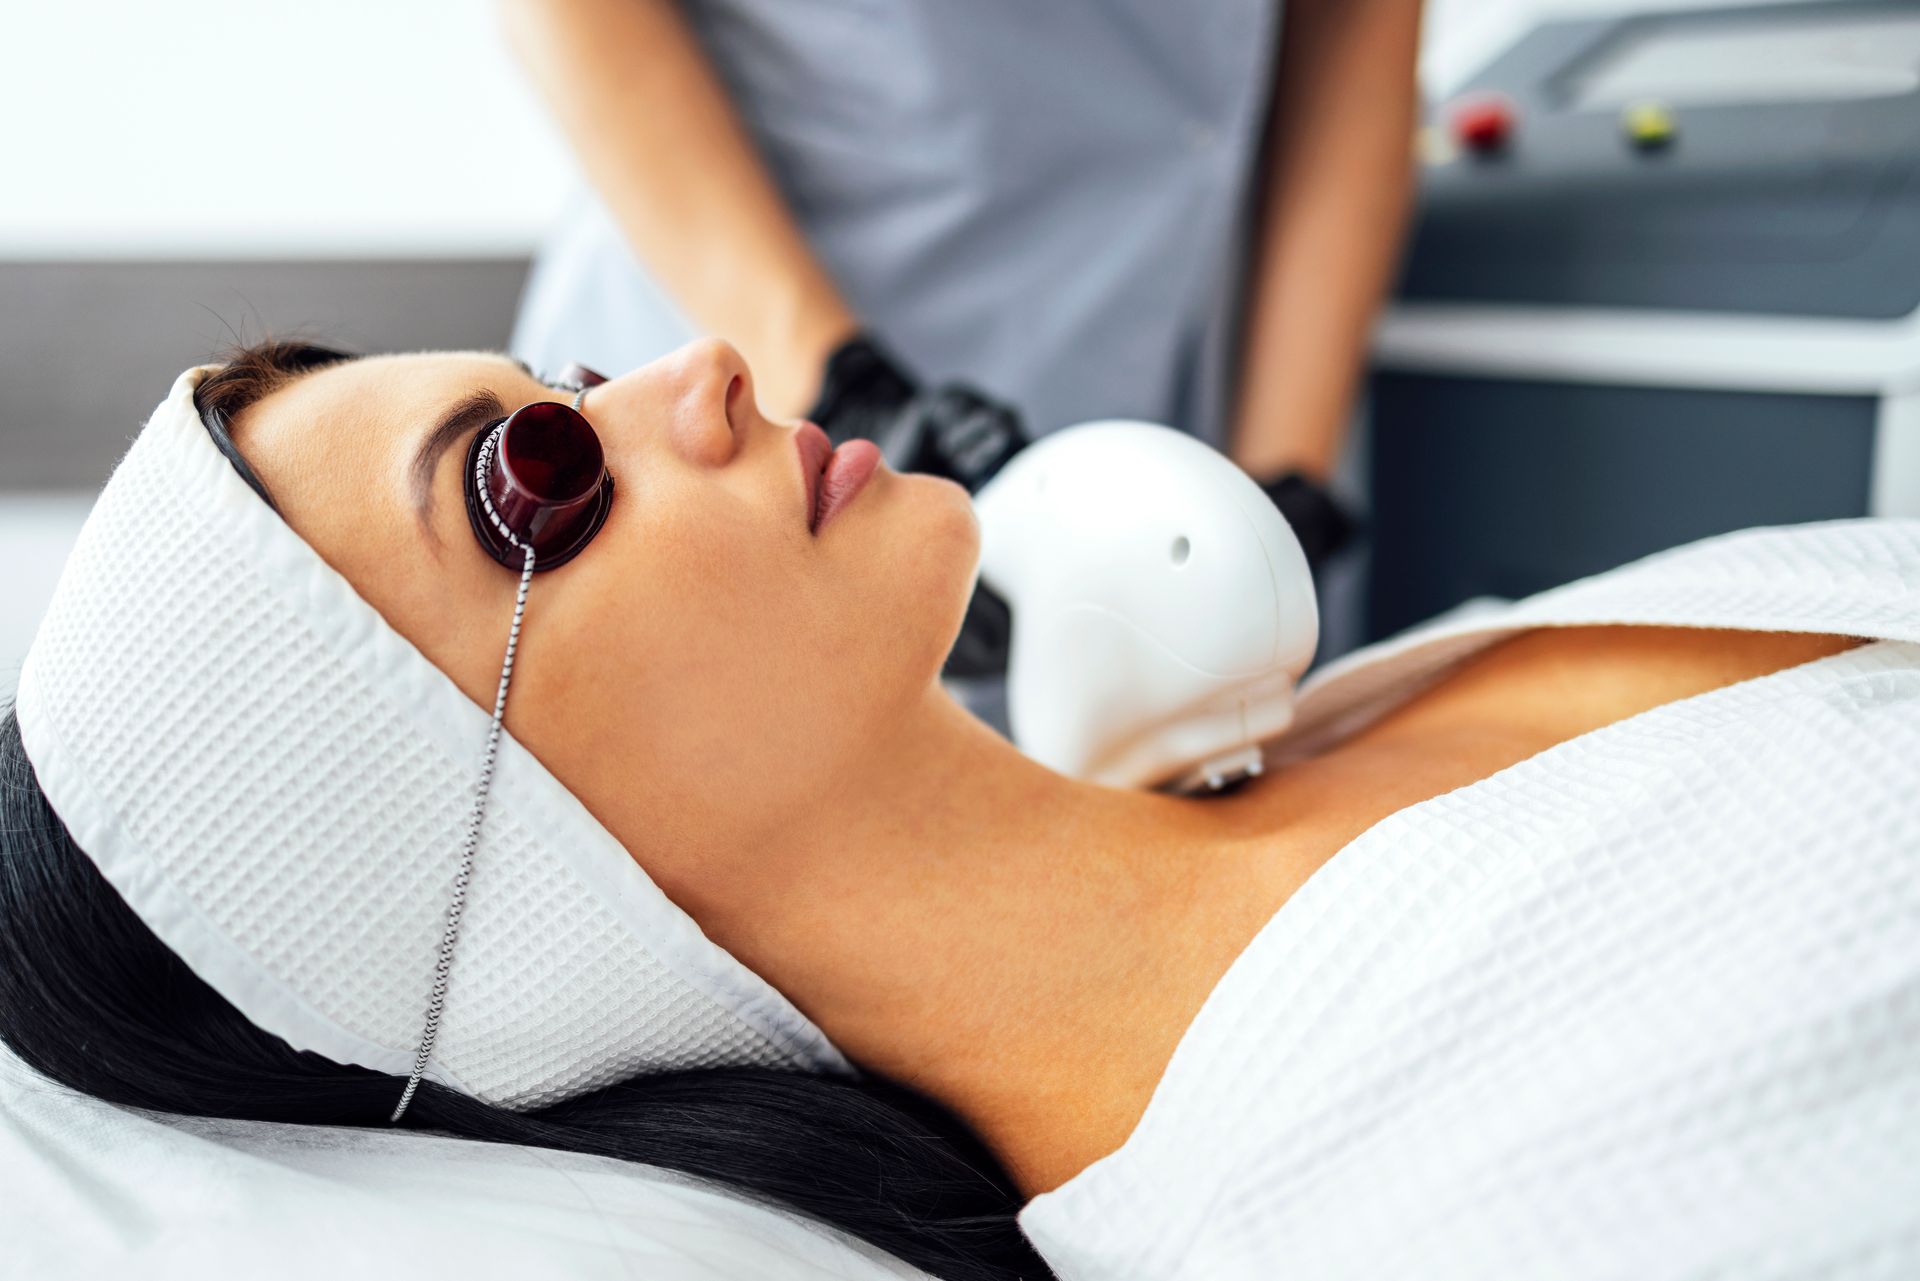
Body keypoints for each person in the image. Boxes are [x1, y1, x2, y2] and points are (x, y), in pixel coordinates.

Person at [4, 341, 1916, 1281]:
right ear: (473, 863)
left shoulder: (1318, 714)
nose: (703, 369)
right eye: (541, 468)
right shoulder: (1410, 1209)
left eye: (575, 371)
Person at [502, 0, 1421, 583]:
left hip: (1181, 388)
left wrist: (1281, 485)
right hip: (770, 310)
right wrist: (837, 379)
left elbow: (1354, 28)